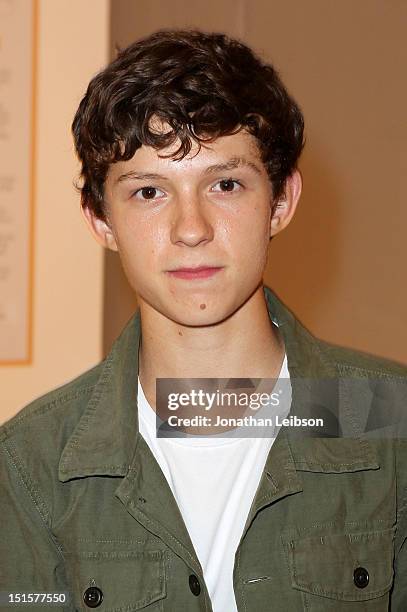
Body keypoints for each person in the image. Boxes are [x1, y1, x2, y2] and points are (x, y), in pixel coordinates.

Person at [1, 28, 406, 612]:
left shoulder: (388, 424)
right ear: (100, 220)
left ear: (282, 201)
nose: (192, 229)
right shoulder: (31, 462)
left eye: (225, 184)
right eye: (148, 193)